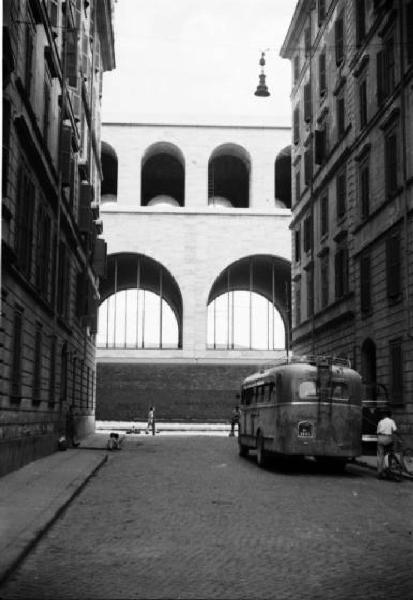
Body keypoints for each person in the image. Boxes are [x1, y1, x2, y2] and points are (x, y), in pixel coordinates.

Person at [376, 409, 400, 478]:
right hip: (388, 438)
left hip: (380, 438)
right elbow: (395, 430)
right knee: (389, 454)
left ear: (384, 415)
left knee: (380, 456)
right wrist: (400, 437)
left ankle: (379, 472)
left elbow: (377, 432)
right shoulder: (391, 421)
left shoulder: (380, 421)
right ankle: (388, 469)